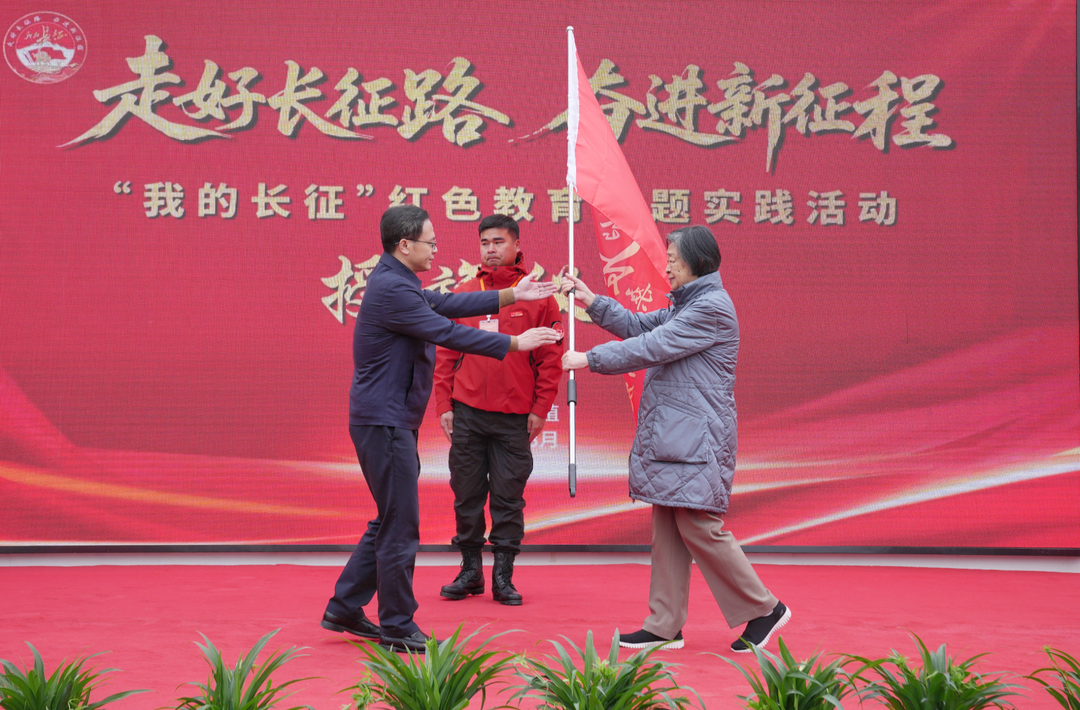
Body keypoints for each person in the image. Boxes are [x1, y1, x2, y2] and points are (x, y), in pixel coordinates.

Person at [321, 205, 559, 653]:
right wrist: (514, 342)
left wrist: (513, 295)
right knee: (399, 525)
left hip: (389, 420)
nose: (436, 249)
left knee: (388, 519)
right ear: (404, 245)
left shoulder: (399, 281)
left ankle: (345, 606)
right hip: (384, 421)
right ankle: (397, 624)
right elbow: (447, 330)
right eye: (430, 242)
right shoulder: (393, 288)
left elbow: (449, 303)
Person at [559, 225, 790, 653]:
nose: (666, 266)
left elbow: (653, 345)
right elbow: (636, 325)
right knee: (667, 523)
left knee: (699, 524)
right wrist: (592, 301)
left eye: (673, 259)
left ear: (696, 262)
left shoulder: (712, 309)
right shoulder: (687, 306)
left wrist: (588, 360)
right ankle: (664, 624)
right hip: (676, 435)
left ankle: (764, 608)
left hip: (698, 437)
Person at [432, 214, 564, 606]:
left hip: (514, 418)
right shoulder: (465, 294)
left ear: (517, 245)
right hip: (468, 412)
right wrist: (443, 404)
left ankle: (503, 577)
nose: (491, 249)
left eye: (499, 242)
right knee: (466, 494)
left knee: (508, 498)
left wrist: (540, 409)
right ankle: (470, 571)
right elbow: (445, 354)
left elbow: (551, 361)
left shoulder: (540, 297)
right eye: (485, 242)